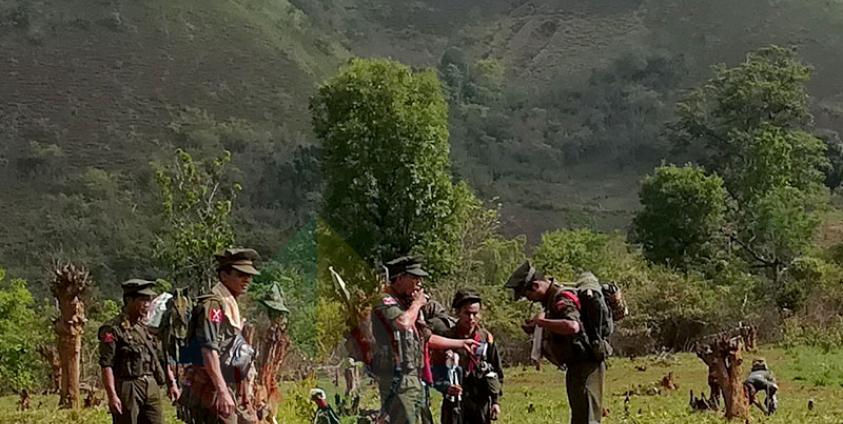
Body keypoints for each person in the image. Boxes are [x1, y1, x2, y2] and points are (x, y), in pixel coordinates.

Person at [371, 255, 480, 424]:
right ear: (399, 279)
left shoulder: (406, 306)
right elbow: (403, 324)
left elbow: (424, 338)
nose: (419, 283)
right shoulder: (385, 301)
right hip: (398, 379)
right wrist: (417, 304)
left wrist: (460, 343)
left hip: (415, 377)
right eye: (414, 278)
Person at [505, 261, 604, 424]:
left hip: (586, 364)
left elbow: (572, 326)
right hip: (576, 365)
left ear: (536, 286)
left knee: (587, 417)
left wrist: (541, 323)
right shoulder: (552, 300)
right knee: (580, 416)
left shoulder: (561, 298)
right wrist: (537, 327)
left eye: (528, 295)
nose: (531, 300)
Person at [179, 248, 261, 424]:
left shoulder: (229, 304)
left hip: (226, 384)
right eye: (240, 274)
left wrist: (243, 392)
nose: (247, 280)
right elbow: (209, 350)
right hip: (213, 388)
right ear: (224, 276)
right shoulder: (214, 305)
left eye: (249, 275)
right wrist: (222, 391)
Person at [98, 279, 180, 424]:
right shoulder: (113, 329)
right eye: (143, 300)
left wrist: (171, 382)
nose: (147, 305)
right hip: (128, 385)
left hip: (150, 383)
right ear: (129, 300)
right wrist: (112, 395)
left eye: (149, 300)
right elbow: (106, 364)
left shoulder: (147, 327)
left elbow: (160, 356)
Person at [434, 290, 503, 424]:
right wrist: (446, 387)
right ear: (457, 313)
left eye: (475, 314)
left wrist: (495, 402)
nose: (471, 318)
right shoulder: (446, 339)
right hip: (454, 402)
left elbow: (496, 371)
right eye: (467, 313)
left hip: (480, 401)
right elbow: (435, 371)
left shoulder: (486, 338)